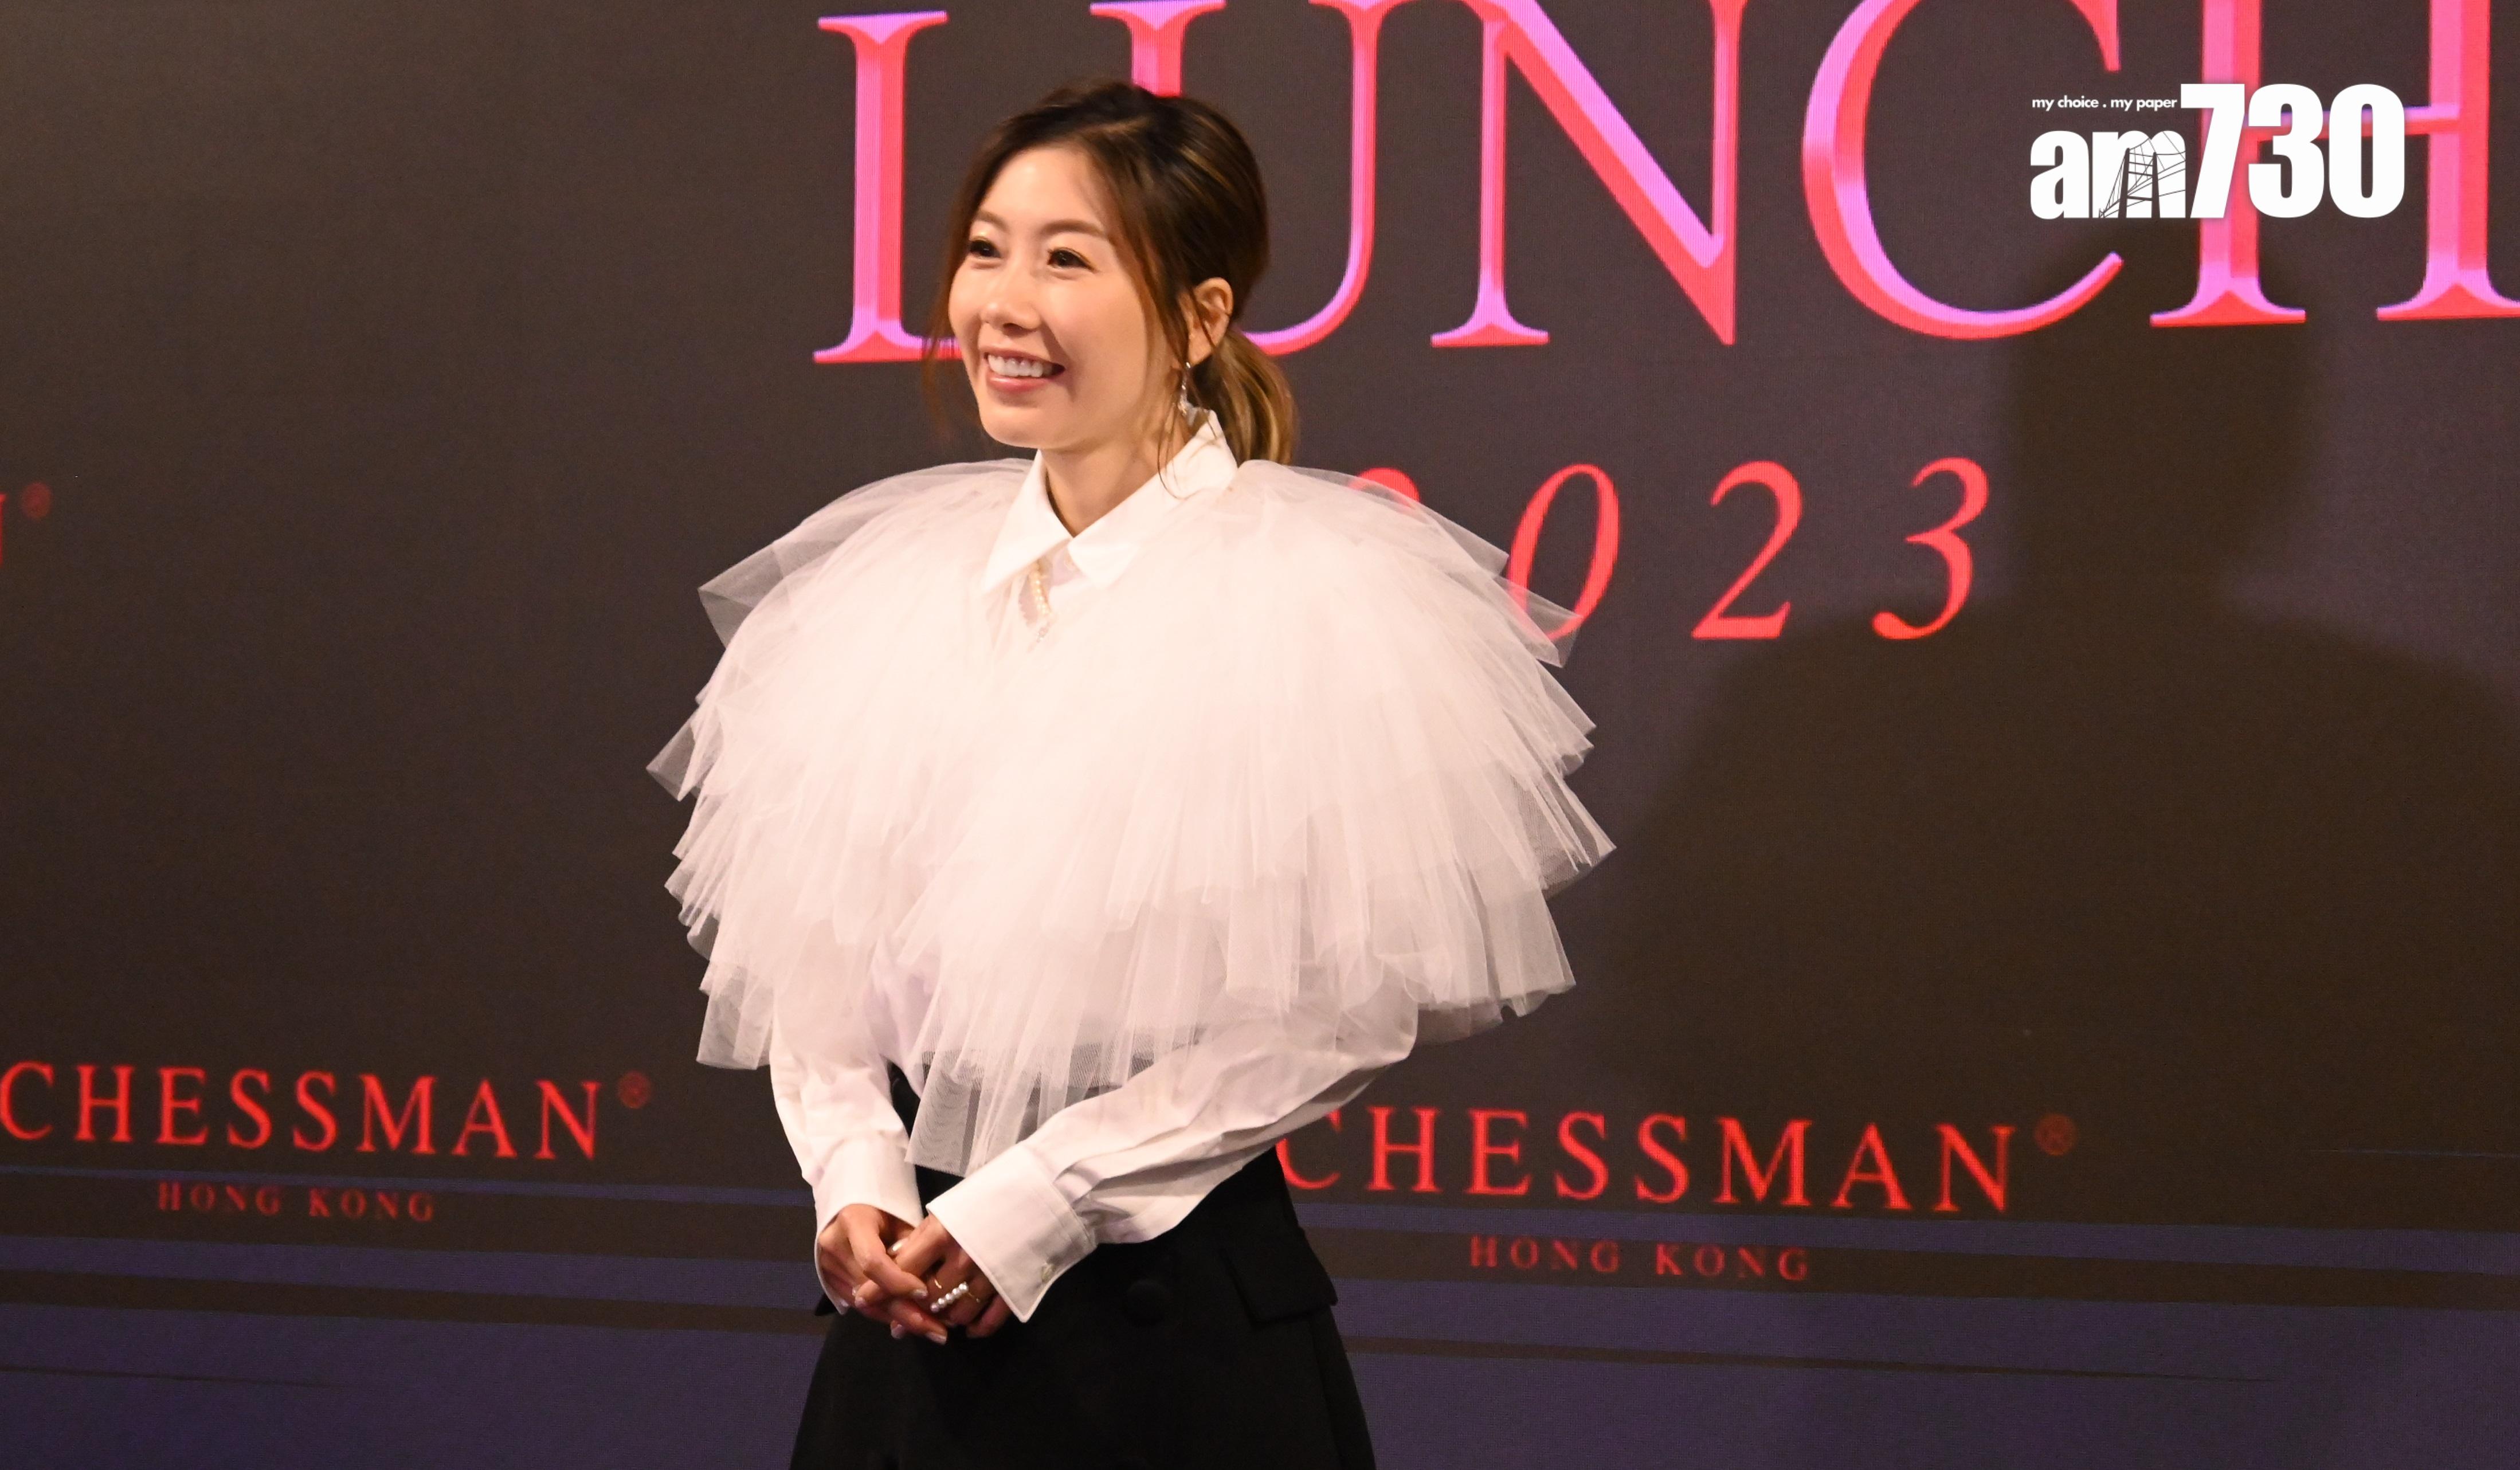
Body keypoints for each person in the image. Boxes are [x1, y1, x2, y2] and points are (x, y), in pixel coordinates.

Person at [649, 78, 1614, 1469]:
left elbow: (1332, 1013)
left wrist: (1042, 1198)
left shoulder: (1314, 601)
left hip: (1169, 1343)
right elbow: (816, 958)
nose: (1004, 304)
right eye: (986, 250)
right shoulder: (886, 593)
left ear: (1200, 316)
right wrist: (853, 1168)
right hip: (910, 1319)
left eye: (1067, 258)